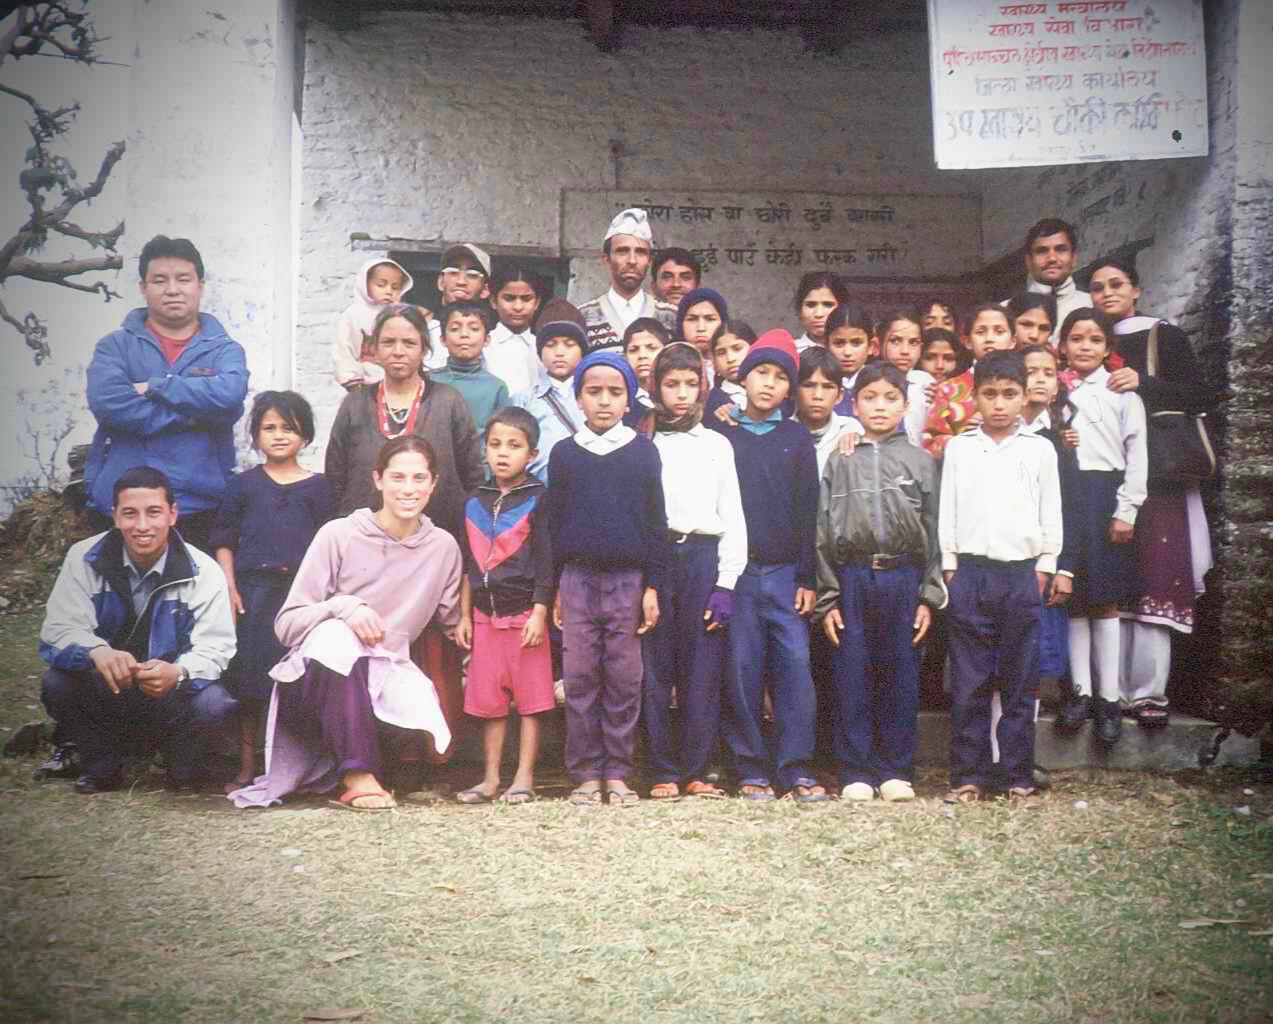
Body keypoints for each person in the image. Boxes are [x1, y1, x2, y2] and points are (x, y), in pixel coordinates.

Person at [229, 436, 462, 810]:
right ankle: (358, 776)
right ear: (378, 480)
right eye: (398, 477)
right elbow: (286, 625)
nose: (408, 489)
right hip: (313, 682)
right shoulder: (339, 534)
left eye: (419, 478)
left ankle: (376, 763)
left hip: (387, 677)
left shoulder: (444, 547)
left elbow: (453, 622)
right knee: (337, 635)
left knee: (407, 695)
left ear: (433, 484)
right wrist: (344, 607)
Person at [39, 466, 237, 793]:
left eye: (154, 512)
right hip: (107, 689)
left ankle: (182, 765)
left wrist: (179, 671)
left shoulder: (204, 570)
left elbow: (216, 648)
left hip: (169, 695)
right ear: (114, 516)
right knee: (57, 682)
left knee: (214, 703)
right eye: (130, 513)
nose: (142, 526)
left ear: (173, 514)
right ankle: (101, 766)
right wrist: (96, 651)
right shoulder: (83, 558)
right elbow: (58, 630)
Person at [1088, 256, 1213, 727]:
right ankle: (1108, 692)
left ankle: (1149, 694)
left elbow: (1200, 395)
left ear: (1136, 289)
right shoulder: (1086, 339)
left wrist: (1145, 384)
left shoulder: (1165, 335)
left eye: (1116, 284)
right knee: (1112, 583)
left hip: (1159, 477)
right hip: (1106, 479)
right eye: (1098, 287)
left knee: (1157, 580)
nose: (1108, 293)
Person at [817, 363, 944, 802]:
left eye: (891, 398)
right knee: (853, 673)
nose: (880, 406)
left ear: (906, 406)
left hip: (903, 578)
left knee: (900, 673)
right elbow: (824, 529)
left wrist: (928, 594)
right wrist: (829, 596)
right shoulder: (841, 457)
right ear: (854, 403)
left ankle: (894, 770)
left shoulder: (921, 461)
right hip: (854, 577)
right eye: (870, 397)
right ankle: (856, 769)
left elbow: (936, 529)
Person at [707, 330, 825, 803]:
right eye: (762, 373)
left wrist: (807, 577)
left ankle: (794, 767)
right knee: (741, 668)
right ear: (743, 376)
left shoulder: (796, 438)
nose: (770, 384)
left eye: (781, 378)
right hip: (737, 573)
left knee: (795, 667)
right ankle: (749, 768)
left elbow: (807, 511)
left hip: (782, 574)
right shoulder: (722, 434)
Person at [939, 350, 1061, 805]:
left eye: (1010, 394)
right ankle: (966, 776)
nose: (1000, 404)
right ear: (975, 398)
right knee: (970, 683)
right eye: (989, 394)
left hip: (1021, 576)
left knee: (1018, 683)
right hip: (971, 573)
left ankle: (1017, 777)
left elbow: (1052, 511)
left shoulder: (1039, 450)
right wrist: (950, 563)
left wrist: (1046, 565)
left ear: (1024, 396)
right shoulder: (960, 448)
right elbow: (947, 510)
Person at [546, 351, 666, 806]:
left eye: (615, 392)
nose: (604, 401)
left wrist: (652, 585)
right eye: (593, 391)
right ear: (578, 397)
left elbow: (656, 521)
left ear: (629, 399)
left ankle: (617, 770)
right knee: (579, 679)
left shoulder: (641, 451)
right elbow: (554, 526)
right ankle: (584, 774)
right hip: (576, 581)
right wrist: (555, 585)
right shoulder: (565, 454)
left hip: (627, 582)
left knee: (623, 678)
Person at [85, 235, 249, 553]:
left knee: (194, 600)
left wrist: (157, 386)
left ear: (200, 285)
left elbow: (229, 395)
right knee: (120, 602)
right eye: (159, 280)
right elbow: (110, 405)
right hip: (124, 507)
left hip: (200, 506)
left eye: (183, 279)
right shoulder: (115, 346)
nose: (172, 289)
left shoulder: (225, 350)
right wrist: (200, 413)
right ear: (143, 287)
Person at [641, 344, 747, 800]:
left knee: (703, 668)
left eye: (689, 384)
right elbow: (639, 515)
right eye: (671, 384)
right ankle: (661, 767)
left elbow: (734, 517)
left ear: (703, 386)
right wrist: (646, 578)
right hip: (660, 558)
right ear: (655, 388)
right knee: (654, 668)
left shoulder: (717, 444)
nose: (681, 394)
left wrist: (725, 584)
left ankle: (698, 768)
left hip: (704, 558)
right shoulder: (644, 443)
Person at [211, 392, 332, 792]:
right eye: (270, 428)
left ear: (306, 435)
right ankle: (248, 765)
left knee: (299, 680)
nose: (279, 436)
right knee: (252, 681)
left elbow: (330, 547)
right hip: (255, 592)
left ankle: (299, 767)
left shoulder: (320, 488)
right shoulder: (242, 485)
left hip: (302, 596)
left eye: (289, 427)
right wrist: (230, 586)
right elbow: (225, 539)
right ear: (256, 435)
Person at [1048, 307, 1147, 743]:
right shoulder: (1054, 393)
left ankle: (1110, 699)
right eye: (1076, 338)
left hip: (1107, 495)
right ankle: (1081, 695)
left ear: (1108, 348)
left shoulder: (1122, 394)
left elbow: (1137, 452)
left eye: (1094, 339)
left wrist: (1128, 509)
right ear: (1063, 346)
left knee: (1104, 600)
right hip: (1067, 495)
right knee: (1072, 597)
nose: (1085, 346)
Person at [454, 408, 555, 804]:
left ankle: (524, 776)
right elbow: (467, 565)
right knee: (490, 704)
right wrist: (464, 615)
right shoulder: (473, 502)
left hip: (525, 616)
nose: (502, 453)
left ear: (531, 454)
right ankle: (490, 778)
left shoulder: (539, 499)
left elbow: (547, 560)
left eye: (514, 446)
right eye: (495, 445)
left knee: (530, 702)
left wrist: (541, 611)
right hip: (483, 617)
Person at [324, 304, 483, 544]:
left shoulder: (448, 402)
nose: (398, 351)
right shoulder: (355, 404)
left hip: (435, 540)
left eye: (409, 343)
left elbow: (473, 476)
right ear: (374, 348)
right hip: (363, 541)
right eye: (388, 342)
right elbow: (336, 475)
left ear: (424, 349)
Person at [578, 208, 676, 354]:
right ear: (606, 259)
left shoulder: (671, 316)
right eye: (622, 251)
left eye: (641, 252)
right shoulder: (582, 317)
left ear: (649, 261)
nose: (632, 260)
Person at [923, 304, 1015, 459]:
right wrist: (964, 440)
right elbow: (930, 441)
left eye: (999, 332)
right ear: (967, 341)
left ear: (1013, 341)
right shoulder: (947, 390)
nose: (989, 338)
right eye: (980, 332)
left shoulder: (1025, 388)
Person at [514, 298, 588, 484]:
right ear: (539, 351)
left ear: (583, 350)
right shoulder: (523, 400)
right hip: (537, 494)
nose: (560, 352)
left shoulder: (592, 396)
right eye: (550, 344)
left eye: (569, 344)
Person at [429, 300, 511, 441]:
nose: (464, 335)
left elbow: (502, 438)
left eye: (474, 329)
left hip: (478, 462)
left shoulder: (496, 387)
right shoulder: (428, 381)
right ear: (442, 339)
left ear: (486, 339)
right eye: (455, 329)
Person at [332, 257, 415, 391]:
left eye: (395, 287)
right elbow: (345, 350)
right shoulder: (354, 314)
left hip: (398, 384)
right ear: (365, 284)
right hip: (365, 384)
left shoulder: (401, 316)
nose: (389, 291)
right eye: (381, 285)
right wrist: (353, 382)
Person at [423, 242, 492, 370]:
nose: (461, 282)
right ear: (440, 282)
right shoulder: (421, 328)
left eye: (472, 275)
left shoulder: (495, 336)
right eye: (453, 272)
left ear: (485, 289)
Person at [795, 346, 863, 476]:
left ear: (839, 396)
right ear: (794, 391)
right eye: (809, 386)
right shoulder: (783, 431)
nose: (818, 395)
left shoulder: (850, 429)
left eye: (827, 387)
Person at [1020, 218, 1090, 340]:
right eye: (1042, 251)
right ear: (1028, 261)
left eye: (1061, 249)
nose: (1052, 258)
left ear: (1074, 258)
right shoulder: (1006, 312)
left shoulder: (1093, 305)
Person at [877, 307, 936, 447]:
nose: (905, 351)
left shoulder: (926, 383)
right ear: (879, 344)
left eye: (913, 343)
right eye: (895, 341)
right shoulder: (868, 380)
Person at [485, 266, 544, 397]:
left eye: (526, 299)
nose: (518, 307)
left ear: (537, 303)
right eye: (509, 298)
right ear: (494, 301)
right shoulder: (483, 346)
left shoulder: (542, 348)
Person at [824, 304, 875, 416]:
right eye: (839, 343)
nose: (847, 352)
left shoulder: (880, 383)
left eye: (856, 343)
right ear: (826, 345)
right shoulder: (819, 384)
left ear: (871, 346)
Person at [705, 319, 756, 421]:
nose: (730, 359)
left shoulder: (772, 389)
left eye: (737, 349)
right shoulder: (712, 402)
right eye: (721, 353)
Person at [792, 271, 850, 353]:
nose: (819, 314)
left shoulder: (854, 353)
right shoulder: (787, 354)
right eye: (811, 305)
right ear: (799, 310)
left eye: (828, 305)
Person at [622, 316, 670, 414]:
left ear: (667, 352)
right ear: (625, 357)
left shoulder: (678, 396)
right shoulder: (623, 403)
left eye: (651, 348)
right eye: (633, 350)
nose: (642, 356)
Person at [677, 287, 729, 367]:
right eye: (692, 319)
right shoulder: (666, 365)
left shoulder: (737, 365)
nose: (701, 328)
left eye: (710, 319)